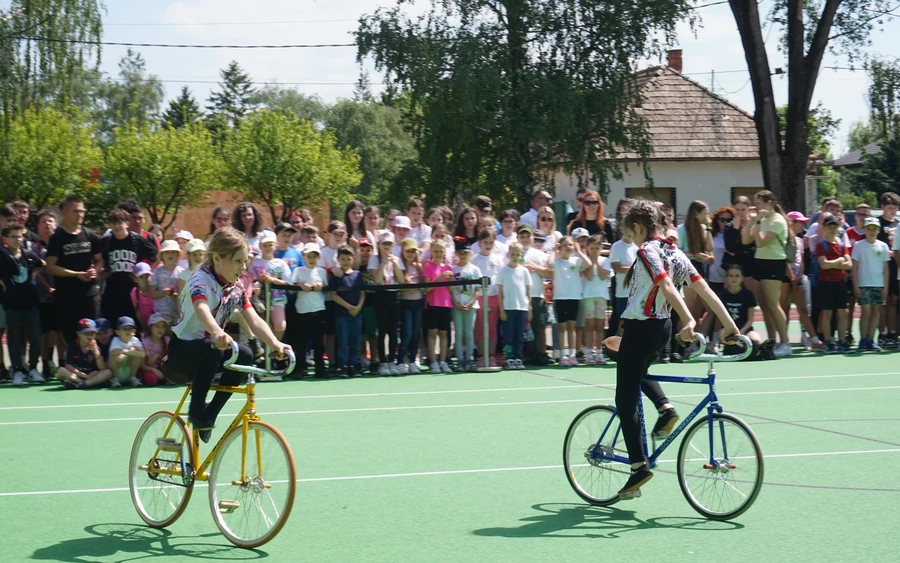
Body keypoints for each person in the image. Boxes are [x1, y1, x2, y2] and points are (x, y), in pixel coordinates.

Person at [615, 199, 740, 498]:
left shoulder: (647, 250)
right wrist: (729, 325)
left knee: (624, 399)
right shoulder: (674, 250)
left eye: (630, 232)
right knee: (639, 372)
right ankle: (665, 407)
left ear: (637, 227)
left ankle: (637, 467)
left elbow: (667, 286)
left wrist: (688, 319)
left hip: (641, 328)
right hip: (662, 330)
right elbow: (704, 289)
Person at [168, 227, 290, 443]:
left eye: (245, 262)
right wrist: (217, 331)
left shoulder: (236, 287)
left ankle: (210, 414)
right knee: (214, 348)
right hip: (182, 353)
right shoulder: (199, 280)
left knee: (244, 355)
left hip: (211, 350)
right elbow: (202, 308)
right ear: (217, 258)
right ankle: (197, 411)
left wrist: (275, 344)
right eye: (237, 261)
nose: (243, 268)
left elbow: (254, 319)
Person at [45, 195, 103, 347]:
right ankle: (74, 368)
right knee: (71, 338)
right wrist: (76, 275)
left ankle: (92, 369)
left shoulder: (90, 235)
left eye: (82, 211)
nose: (80, 215)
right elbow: (50, 266)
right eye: (76, 211)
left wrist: (95, 271)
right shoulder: (57, 238)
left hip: (89, 295)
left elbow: (100, 260)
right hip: (66, 297)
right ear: (63, 213)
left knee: (90, 336)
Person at [0, 223, 45, 385]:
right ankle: (17, 370)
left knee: (35, 338)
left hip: (31, 304)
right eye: (14, 236)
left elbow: (42, 264)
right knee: (14, 339)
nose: (18, 239)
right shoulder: (2, 256)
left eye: (20, 236)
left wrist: (34, 274)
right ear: (5, 238)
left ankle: (32, 369)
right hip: (11, 305)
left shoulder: (28, 254)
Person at [749, 190, 792, 357]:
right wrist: (754, 222)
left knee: (774, 305)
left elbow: (760, 242)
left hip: (774, 263)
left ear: (769, 203)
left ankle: (786, 343)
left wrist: (757, 222)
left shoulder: (777, 220)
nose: (756, 206)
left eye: (759, 203)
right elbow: (748, 239)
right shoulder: (763, 219)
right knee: (765, 307)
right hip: (760, 262)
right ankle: (773, 341)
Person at [100, 209, 159, 326]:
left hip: (132, 291)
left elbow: (157, 255)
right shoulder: (106, 241)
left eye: (119, 223)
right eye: (113, 223)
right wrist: (100, 272)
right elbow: (97, 259)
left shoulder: (137, 240)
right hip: (112, 291)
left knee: (132, 324)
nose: (116, 226)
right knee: (112, 324)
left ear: (127, 223)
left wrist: (147, 272)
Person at [816, 213, 853, 353]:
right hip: (826, 283)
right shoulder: (821, 245)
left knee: (843, 312)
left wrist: (833, 264)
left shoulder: (842, 245)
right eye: (830, 225)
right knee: (827, 314)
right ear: (824, 227)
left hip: (840, 283)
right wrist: (838, 262)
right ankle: (829, 341)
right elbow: (823, 265)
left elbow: (849, 264)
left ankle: (842, 341)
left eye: (835, 226)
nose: (832, 228)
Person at [852, 217, 890, 352]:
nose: (872, 231)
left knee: (875, 313)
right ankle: (863, 339)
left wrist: (885, 286)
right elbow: (854, 267)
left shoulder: (883, 246)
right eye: (869, 228)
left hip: (878, 284)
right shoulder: (858, 245)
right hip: (864, 284)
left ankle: (870, 339)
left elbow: (885, 269)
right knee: (866, 312)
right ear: (864, 230)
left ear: (878, 230)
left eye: (874, 228)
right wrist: (856, 286)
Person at [552, 235, 591, 366]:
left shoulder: (576, 261)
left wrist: (579, 251)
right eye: (565, 245)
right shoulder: (557, 262)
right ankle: (563, 355)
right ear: (560, 247)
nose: (568, 247)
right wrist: (554, 251)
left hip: (574, 298)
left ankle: (572, 355)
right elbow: (549, 264)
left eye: (570, 245)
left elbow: (588, 264)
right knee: (562, 327)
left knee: (571, 327)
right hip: (560, 298)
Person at [291, 243, 328, 378]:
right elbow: (291, 288)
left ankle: (320, 368)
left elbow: (325, 287)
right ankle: (299, 368)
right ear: (304, 257)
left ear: (318, 257)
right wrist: (300, 285)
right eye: (309, 256)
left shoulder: (322, 272)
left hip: (319, 310)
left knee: (319, 342)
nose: (311, 259)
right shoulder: (298, 271)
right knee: (301, 341)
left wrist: (321, 285)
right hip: (302, 311)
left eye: (314, 256)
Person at [518, 224, 552, 364]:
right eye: (522, 236)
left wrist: (535, 268)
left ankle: (542, 353)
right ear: (517, 238)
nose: (525, 239)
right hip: (519, 296)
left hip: (537, 295)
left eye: (528, 236)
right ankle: (525, 354)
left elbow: (549, 272)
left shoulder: (539, 254)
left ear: (532, 238)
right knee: (523, 327)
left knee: (540, 326)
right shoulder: (514, 252)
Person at [329, 245, 366, 377]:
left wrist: (358, 307)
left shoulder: (357, 275)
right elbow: (333, 295)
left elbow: (362, 293)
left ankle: (353, 365)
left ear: (353, 259)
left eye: (348, 258)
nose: (345, 261)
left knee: (355, 341)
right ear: (338, 259)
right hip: (342, 314)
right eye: (342, 259)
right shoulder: (335, 276)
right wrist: (349, 307)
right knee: (343, 341)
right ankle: (343, 366)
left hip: (357, 314)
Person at [371, 232, 404, 375]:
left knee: (392, 331)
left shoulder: (397, 259)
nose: (387, 247)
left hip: (393, 296)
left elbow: (402, 280)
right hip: (380, 296)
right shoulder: (374, 259)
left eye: (389, 244)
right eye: (384, 244)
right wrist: (383, 264)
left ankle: (392, 361)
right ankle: (383, 362)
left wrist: (395, 266)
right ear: (379, 245)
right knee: (382, 330)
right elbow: (377, 280)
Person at [496, 242, 533, 370]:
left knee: (519, 335)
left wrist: (529, 308)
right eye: (513, 254)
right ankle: (509, 358)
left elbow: (528, 291)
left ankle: (518, 357)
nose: (515, 256)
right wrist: (501, 309)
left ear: (521, 255)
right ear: (508, 254)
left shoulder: (524, 271)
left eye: (518, 254)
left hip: (522, 308)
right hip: (508, 308)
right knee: (508, 335)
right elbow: (500, 292)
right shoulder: (503, 271)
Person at [472, 231, 504, 367]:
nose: (488, 245)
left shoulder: (497, 259)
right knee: (479, 327)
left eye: (491, 242)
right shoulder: (475, 259)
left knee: (492, 327)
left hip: (494, 296)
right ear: (480, 242)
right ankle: (480, 355)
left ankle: (491, 355)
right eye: (486, 242)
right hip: (480, 296)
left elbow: (500, 278)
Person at [451, 237, 482, 371]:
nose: (463, 255)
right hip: (457, 305)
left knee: (469, 333)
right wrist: (456, 303)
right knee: (459, 333)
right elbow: (450, 290)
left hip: (470, 305)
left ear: (470, 254)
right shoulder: (453, 270)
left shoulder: (474, 270)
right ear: (456, 254)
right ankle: (460, 359)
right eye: (460, 253)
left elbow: (477, 289)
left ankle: (469, 358)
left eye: (465, 253)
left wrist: (470, 303)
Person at [423, 240, 454, 373]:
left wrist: (451, 281)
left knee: (444, 333)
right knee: (432, 333)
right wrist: (439, 278)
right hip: (432, 304)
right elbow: (427, 288)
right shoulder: (428, 267)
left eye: (441, 251)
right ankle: (433, 361)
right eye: (436, 251)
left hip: (445, 304)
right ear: (431, 252)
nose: (438, 253)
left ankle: (443, 360)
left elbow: (451, 290)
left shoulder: (448, 268)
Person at [714, 265, 763, 347]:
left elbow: (750, 320)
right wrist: (715, 338)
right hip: (727, 330)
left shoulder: (748, 295)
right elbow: (719, 319)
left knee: (756, 340)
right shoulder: (721, 295)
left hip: (745, 330)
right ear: (727, 278)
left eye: (737, 276)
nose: (734, 278)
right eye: (731, 276)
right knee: (721, 335)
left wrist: (742, 331)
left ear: (742, 278)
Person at [56, 318, 113, 389]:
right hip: (77, 375)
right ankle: (82, 382)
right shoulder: (72, 346)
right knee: (61, 371)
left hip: (93, 375)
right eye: (86, 333)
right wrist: (85, 376)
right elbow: (68, 366)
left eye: (92, 333)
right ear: (79, 334)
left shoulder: (96, 346)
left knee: (108, 372)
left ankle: (84, 384)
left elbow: (102, 368)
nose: (90, 336)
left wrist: (96, 353)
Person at [583, 234, 612, 365]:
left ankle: (599, 353)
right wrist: (592, 261)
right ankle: (589, 353)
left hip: (601, 296)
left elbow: (602, 276)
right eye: (592, 248)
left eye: (597, 248)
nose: (594, 250)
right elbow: (588, 277)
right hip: (588, 296)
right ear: (587, 248)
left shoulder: (605, 261)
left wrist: (597, 261)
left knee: (600, 325)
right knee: (589, 325)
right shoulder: (585, 261)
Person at [397, 237, 425, 373]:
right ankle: (401, 360)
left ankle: (413, 360)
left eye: (413, 251)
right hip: (405, 302)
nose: (411, 254)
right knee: (406, 332)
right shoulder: (400, 266)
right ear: (402, 251)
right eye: (408, 251)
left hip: (418, 302)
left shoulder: (418, 266)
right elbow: (400, 284)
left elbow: (423, 285)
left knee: (415, 332)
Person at [609, 225, 638, 336]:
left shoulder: (638, 246)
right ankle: (623, 347)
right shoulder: (616, 246)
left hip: (636, 291)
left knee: (636, 320)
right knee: (623, 320)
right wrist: (634, 269)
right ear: (622, 229)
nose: (629, 231)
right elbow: (616, 267)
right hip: (622, 292)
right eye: (627, 228)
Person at [147, 240, 184, 324]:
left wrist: (177, 295)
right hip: (160, 315)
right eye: (167, 252)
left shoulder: (182, 272)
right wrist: (163, 293)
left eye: (173, 252)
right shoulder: (157, 272)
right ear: (162, 256)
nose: (170, 254)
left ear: (177, 255)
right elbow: (151, 293)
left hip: (177, 314)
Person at [108, 316, 146, 388]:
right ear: (117, 332)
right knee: (115, 356)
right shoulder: (115, 340)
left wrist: (126, 352)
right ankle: (115, 379)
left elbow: (143, 354)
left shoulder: (135, 340)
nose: (128, 331)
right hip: (117, 373)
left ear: (134, 332)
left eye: (130, 329)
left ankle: (132, 378)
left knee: (137, 354)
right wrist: (130, 351)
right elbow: (118, 358)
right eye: (125, 328)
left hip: (128, 371)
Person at [140, 313, 172, 386]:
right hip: (150, 369)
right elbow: (142, 365)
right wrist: (154, 370)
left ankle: (167, 377)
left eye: (162, 327)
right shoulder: (145, 343)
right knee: (150, 379)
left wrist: (158, 356)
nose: (160, 329)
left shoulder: (167, 340)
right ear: (151, 328)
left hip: (165, 368)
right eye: (157, 326)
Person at [131, 263, 155, 330]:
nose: (145, 280)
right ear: (135, 279)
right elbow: (138, 312)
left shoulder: (155, 290)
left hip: (157, 325)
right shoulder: (134, 293)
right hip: (144, 326)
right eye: (141, 277)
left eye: (147, 276)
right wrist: (146, 329)